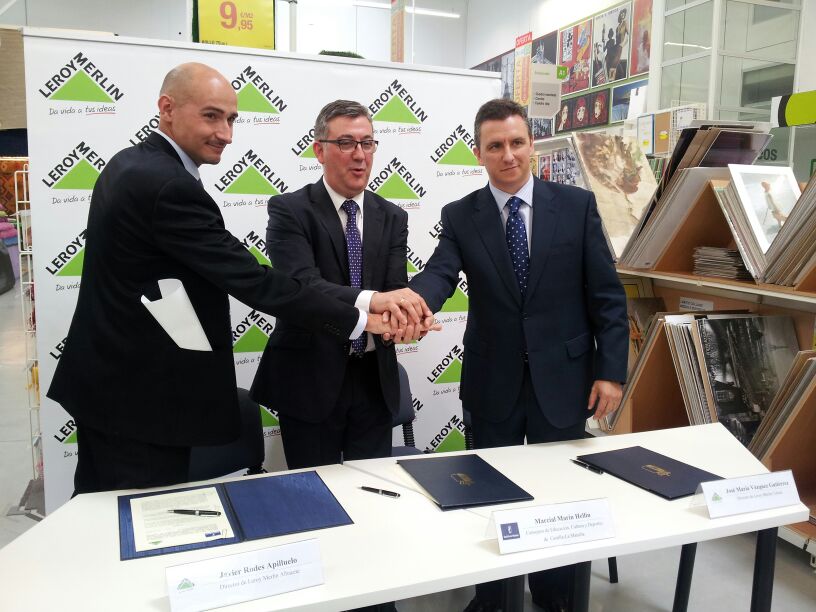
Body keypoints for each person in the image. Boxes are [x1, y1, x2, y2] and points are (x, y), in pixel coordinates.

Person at [47, 64, 402, 496]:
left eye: (231, 119)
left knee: (111, 512)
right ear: (167, 109)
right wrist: (360, 317)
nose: (226, 134)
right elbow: (254, 280)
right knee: (131, 518)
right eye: (211, 116)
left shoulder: (132, 164)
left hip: (117, 390)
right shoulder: (167, 185)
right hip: (138, 400)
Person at [408, 98, 628, 612]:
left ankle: (555, 595)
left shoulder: (576, 206)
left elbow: (607, 296)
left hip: (565, 379)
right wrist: (413, 303)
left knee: (559, 494)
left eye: (516, 142)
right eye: (495, 146)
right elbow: (440, 273)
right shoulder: (460, 215)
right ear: (478, 153)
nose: (508, 155)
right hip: (493, 382)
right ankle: (494, 597)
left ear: (532, 145)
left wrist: (611, 372)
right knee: (491, 494)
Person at [251, 100, 432, 472]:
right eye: (346, 143)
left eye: (367, 143)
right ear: (319, 150)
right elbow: (303, 285)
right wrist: (375, 301)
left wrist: (407, 320)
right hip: (309, 378)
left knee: (373, 489)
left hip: (373, 379)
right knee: (314, 491)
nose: (360, 155)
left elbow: (395, 289)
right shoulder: (289, 210)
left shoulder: (393, 216)